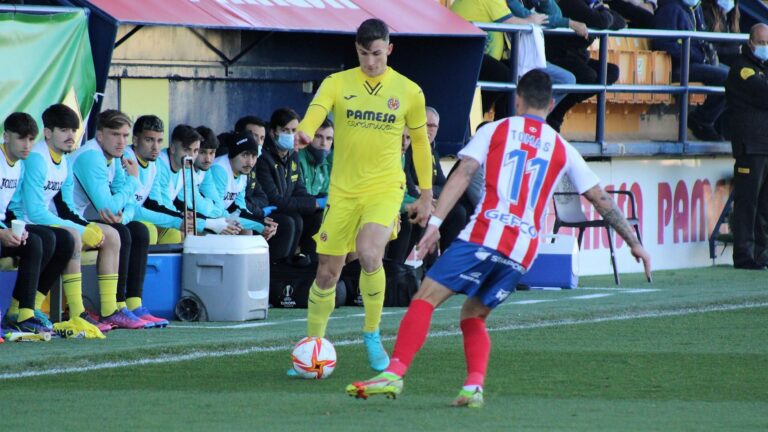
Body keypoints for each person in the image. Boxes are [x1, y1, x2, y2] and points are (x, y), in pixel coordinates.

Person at [346, 69, 652, 407]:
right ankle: (473, 387)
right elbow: (602, 200)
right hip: (523, 250)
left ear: (517, 99)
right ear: (551, 104)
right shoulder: (563, 148)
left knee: (425, 298)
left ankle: (394, 373)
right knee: (473, 315)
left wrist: (434, 223)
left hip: (486, 233)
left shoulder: (496, 129)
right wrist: (634, 242)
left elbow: (464, 172)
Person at [292, 18, 434, 375]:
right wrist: (307, 131)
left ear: (389, 49)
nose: (369, 62)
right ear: (355, 50)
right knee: (327, 272)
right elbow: (316, 110)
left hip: (385, 188)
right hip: (342, 192)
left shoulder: (409, 91)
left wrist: (427, 194)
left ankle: (372, 333)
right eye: (362, 54)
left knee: (371, 253)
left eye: (375, 53)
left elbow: (419, 142)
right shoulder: (337, 83)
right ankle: (313, 346)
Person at [12, 104, 118, 333]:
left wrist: (84, 225)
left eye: (74, 130)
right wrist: (79, 230)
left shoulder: (65, 161)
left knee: (113, 235)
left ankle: (113, 308)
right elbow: (34, 210)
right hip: (24, 220)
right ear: (48, 133)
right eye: (64, 130)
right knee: (69, 237)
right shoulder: (37, 159)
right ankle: (75, 310)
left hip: (44, 221)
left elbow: (67, 207)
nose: (71, 136)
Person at [70, 109, 168, 328]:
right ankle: (114, 306)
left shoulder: (113, 157)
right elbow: (109, 205)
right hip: (67, 220)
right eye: (115, 134)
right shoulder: (91, 156)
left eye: (125, 135)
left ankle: (131, 304)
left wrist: (123, 212)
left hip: (84, 219)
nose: (121, 141)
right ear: (100, 135)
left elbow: (121, 201)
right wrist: (133, 180)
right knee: (121, 232)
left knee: (138, 230)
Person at [0, 112, 73, 334]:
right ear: (6, 136)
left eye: (31, 139)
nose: (27, 145)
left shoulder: (19, 165)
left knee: (57, 239)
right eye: (21, 138)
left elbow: (12, 208)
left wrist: (14, 229)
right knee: (37, 241)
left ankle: (24, 312)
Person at [450, 0, 550, 120]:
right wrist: (532, 21)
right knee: (507, 77)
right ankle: (482, 119)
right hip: (465, 54)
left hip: (470, 54)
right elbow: (512, 22)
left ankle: (499, 121)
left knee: (514, 76)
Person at [724, 23, 768, 270]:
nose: (765, 48)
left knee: (764, 206)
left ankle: (762, 254)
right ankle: (744, 256)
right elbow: (763, 93)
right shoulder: (742, 69)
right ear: (750, 42)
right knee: (747, 203)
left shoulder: (762, 68)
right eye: (761, 43)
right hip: (749, 145)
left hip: (765, 145)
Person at [654, 0, 729, 141]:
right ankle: (701, 121)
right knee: (726, 78)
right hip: (676, 67)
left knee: (737, 77)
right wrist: (698, 55)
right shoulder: (670, 8)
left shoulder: (694, 9)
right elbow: (663, 44)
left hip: (697, 63)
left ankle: (708, 122)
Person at [545, 0, 625, 132]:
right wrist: (604, 11)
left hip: (579, 57)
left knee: (611, 72)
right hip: (557, 56)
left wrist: (602, 11)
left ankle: (557, 112)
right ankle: (555, 116)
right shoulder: (572, 3)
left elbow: (621, 22)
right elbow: (601, 21)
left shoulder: (594, 5)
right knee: (588, 76)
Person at [257, 107, 323, 263]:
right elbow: (274, 200)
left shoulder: (293, 153)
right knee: (291, 221)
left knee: (317, 217)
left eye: (294, 130)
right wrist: (313, 203)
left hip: (286, 208)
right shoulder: (262, 158)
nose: (291, 135)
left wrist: (316, 204)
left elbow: (298, 188)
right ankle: (281, 270)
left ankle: (308, 267)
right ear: (273, 132)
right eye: (285, 130)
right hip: (267, 211)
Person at [149, 124, 238, 236]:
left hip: (168, 216)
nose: (191, 156)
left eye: (195, 150)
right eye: (187, 150)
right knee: (184, 231)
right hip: (149, 216)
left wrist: (218, 221)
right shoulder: (160, 164)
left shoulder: (186, 167)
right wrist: (210, 223)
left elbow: (193, 207)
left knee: (192, 228)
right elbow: (161, 206)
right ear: (173, 148)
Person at [199, 132, 277, 238]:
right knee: (230, 227)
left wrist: (260, 221)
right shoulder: (220, 170)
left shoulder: (243, 173)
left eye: (254, 156)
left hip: (219, 216)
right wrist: (259, 224)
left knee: (246, 229)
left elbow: (240, 208)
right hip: (204, 219)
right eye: (245, 155)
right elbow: (217, 211)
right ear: (233, 154)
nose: (250, 162)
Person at [298, 118, 333, 197]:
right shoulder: (298, 159)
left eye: (329, 138)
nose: (324, 143)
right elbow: (299, 198)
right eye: (318, 136)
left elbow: (325, 194)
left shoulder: (324, 164)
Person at [701, 0, 740, 67]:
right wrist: (736, 50)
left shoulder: (732, 16)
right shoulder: (706, 12)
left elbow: (736, 43)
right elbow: (710, 48)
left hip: (729, 61)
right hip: (712, 61)